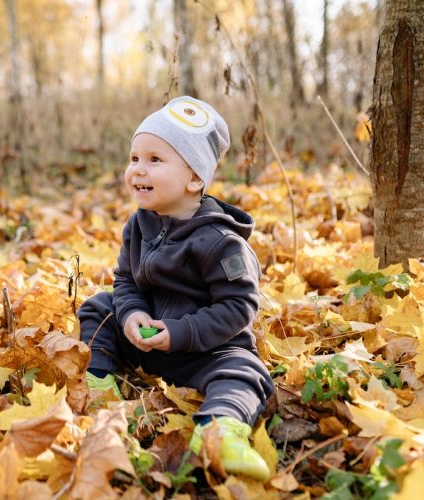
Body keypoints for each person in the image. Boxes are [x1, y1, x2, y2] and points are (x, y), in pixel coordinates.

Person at [78, 96, 274, 481]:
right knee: (98, 308)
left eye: (154, 160)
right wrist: (132, 314)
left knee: (246, 371)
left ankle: (220, 431)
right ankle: (99, 383)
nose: (138, 170)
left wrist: (181, 333)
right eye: (134, 158)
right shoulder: (140, 224)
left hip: (204, 349)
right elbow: (126, 281)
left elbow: (239, 307)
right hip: (147, 334)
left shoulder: (221, 242)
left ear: (195, 178)